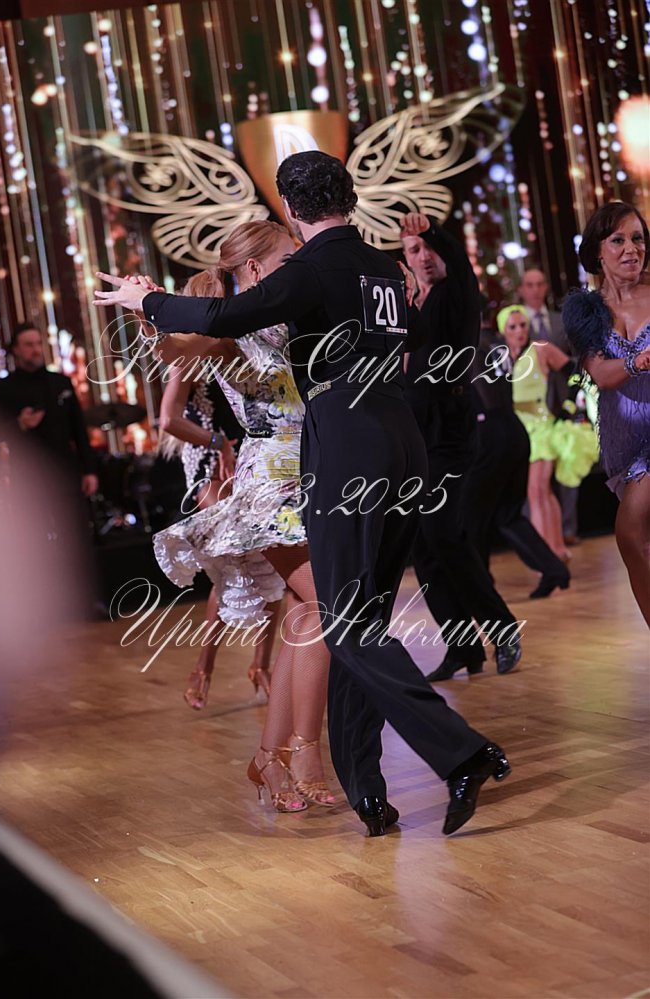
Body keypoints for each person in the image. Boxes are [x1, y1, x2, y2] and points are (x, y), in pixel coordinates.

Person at [93, 151, 512, 838]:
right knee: (359, 618)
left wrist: (147, 300)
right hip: (402, 439)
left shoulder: (313, 267)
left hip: (347, 444)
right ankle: (366, 788)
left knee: (343, 621)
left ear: (290, 208)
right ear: (349, 196)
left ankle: (462, 752)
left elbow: (229, 312)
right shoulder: (382, 266)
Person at [135, 220, 335, 812]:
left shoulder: (285, 319)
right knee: (325, 608)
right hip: (268, 485)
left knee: (305, 614)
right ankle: (304, 751)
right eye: (287, 256)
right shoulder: (229, 329)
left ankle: (270, 758)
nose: (297, 262)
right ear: (254, 268)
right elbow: (172, 350)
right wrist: (146, 308)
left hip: (310, 474)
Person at [401, 214, 522, 682]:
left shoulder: (456, 295)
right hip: (414, 436)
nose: (425, 257)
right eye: (414, 250)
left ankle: (503, 629)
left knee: (444, 533)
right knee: (424, 546)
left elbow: (460, 265)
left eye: (429, 248)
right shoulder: (410, 306)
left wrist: (432, 232)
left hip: (450, 433)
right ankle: (462, 648)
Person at [156, 273, 278, 710]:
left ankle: (261, 664)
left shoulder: (243, 342)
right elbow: (168, 420)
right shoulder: (189, 352)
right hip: (211, 463)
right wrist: (217, 443)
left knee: (271, 557)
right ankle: (203, 668)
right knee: (234, 561)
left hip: (251, 456)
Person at [562, 202, 650, 626]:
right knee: (641, 541)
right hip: (622, 440)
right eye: (618, 240)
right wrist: (639, 361)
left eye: (638, 238)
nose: (632, 249)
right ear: (598, 252)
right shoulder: (585, 310)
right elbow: (600, 373)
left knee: (630, 533)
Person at [0, 323, 99, 617]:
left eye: (38, 343)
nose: (35, 349)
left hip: (65, 473)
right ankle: (44, 609)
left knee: (77, 537)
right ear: (15, 349)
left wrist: (89, 470)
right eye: (29, 344)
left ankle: (87, 602)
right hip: (27, 480)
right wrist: (19, 425)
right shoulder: (2, 389)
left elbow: (79, 431)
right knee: (33, 543)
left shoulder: (60, 383)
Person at [466, 320, 571, 599]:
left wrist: (569, 407)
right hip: (516, 428)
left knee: (473, 514)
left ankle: (480, 585)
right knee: (509, 513)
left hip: (493, 432)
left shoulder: (471, 344)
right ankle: (553, 568)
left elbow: (484, 396)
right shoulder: (497, 343)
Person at [499, 305, 598, 561]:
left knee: (538, 490)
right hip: (517, 430)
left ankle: (549, 552)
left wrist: (568, 407)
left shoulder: (541, 349)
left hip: (542, 428)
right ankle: (555, 549)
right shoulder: (500, 357)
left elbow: (576, 374)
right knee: (539, 492)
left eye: (523, 325)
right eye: (512, 327)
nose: (519, 331)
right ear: (503, 330)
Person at [519, 268, 581, 544]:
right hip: (530, 411)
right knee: (534, 481)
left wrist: (571, 403)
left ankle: (566, 530)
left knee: (565, 470)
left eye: (539, 284)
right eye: (529, 284)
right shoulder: (516, 322)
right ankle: (536, 534)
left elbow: (574, 363)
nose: (535, 289)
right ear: (522, 289)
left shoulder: (560, 321)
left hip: (560, 404)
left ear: (545, 287)